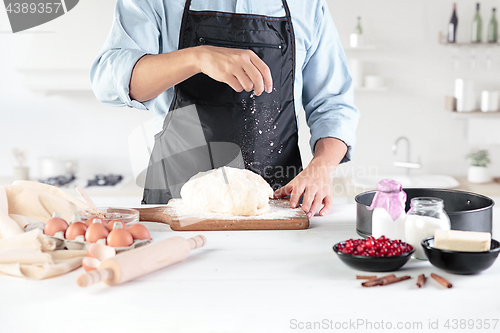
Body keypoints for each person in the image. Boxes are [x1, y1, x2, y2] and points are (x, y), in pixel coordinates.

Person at [90, 0, 359, 218]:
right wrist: (196, 57)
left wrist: (322, 166)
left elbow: (334, 103)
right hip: (176, 204)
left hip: (276, 207)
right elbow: (108, 80)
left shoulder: (307, 6)